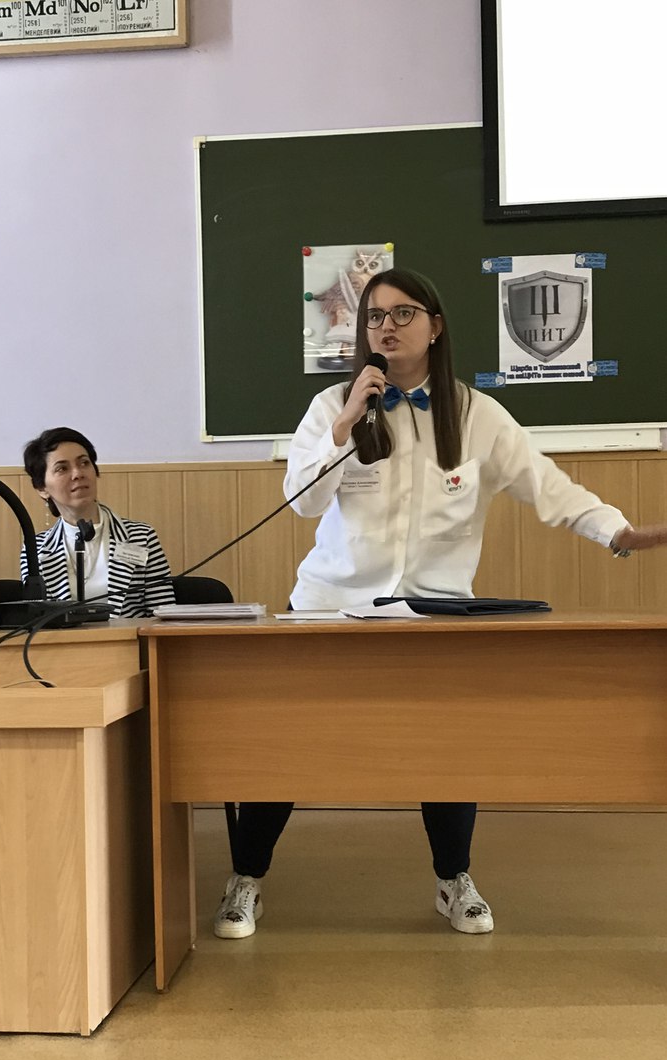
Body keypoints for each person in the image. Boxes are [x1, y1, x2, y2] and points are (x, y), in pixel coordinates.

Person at [213, 267, 667, 941]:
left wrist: (617, 533)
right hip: (329, 609)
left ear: (435, 326)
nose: (386, 327)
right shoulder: (332, 405)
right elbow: (302, 501)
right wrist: (345, 422)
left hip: (436, 615)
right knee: (288, 744)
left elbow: (548, 486)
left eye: (403, 313)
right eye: (374, 316)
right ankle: (246, 877)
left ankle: (454, 879)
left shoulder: (477, 415)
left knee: (450, 746)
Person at [22, 426, 175, 616]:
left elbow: (163, 613)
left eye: (84, 463)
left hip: (131, 635)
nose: (78, 473)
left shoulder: (142, 536)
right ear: (42, 488)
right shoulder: (35, 549)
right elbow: (37, 618)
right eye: (62, 468)